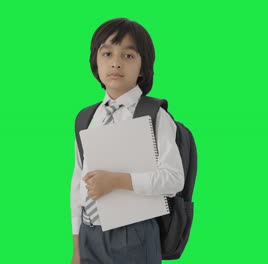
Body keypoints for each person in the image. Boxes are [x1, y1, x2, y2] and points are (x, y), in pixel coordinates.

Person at [70, 17, 184, 264]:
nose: (116, 63)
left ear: (143, 67)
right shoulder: (86, 117)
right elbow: (78, 180)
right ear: (95, 62)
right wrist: (77, 243)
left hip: (135, 233)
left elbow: (174, 179)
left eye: (128, 56)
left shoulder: (154, 116)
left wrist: (117, 181)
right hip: (90, 233)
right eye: (107, 54)